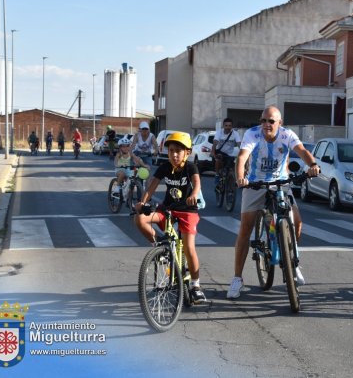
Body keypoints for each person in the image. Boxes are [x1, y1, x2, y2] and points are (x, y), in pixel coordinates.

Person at [226, 106, 320, 299]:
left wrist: (312, 165)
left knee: (297, 221)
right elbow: (242, 157)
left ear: (280, 123)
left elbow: (301, 151)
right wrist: (240, 177)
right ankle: (237, 279)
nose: (266, 124)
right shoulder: (252, 134)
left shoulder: (287, 135)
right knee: (245, 229)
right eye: (263, 120)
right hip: (255, 183)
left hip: (280, 184)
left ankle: (293, 264)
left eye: (271, 121)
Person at [134, 131, 207, 304]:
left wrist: (194, 195)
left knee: (189, 248)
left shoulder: (190, 167)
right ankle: (160, 245)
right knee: (140, 219)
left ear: (187, 152)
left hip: (188, 211)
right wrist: (143, 203)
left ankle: (196, 286)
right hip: (167, 210)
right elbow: (152, 186)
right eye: (171, 150)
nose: (174, 154)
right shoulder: (165, 167)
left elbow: (197, 183)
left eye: (178, 151)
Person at [211, 117, 241, 184]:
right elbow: (215, 142)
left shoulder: (235, 133)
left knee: (234, 167)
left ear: (232, 126)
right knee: (218, 159)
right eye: (226, 125)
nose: (228, 127)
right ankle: (217, 175)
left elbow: (239, 144)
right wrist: (213, 152)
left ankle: (233, 181)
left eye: (230, 126)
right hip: (221, 152)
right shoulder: (219, 132)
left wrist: (243, 153)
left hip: (230, 154)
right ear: (223, 126)